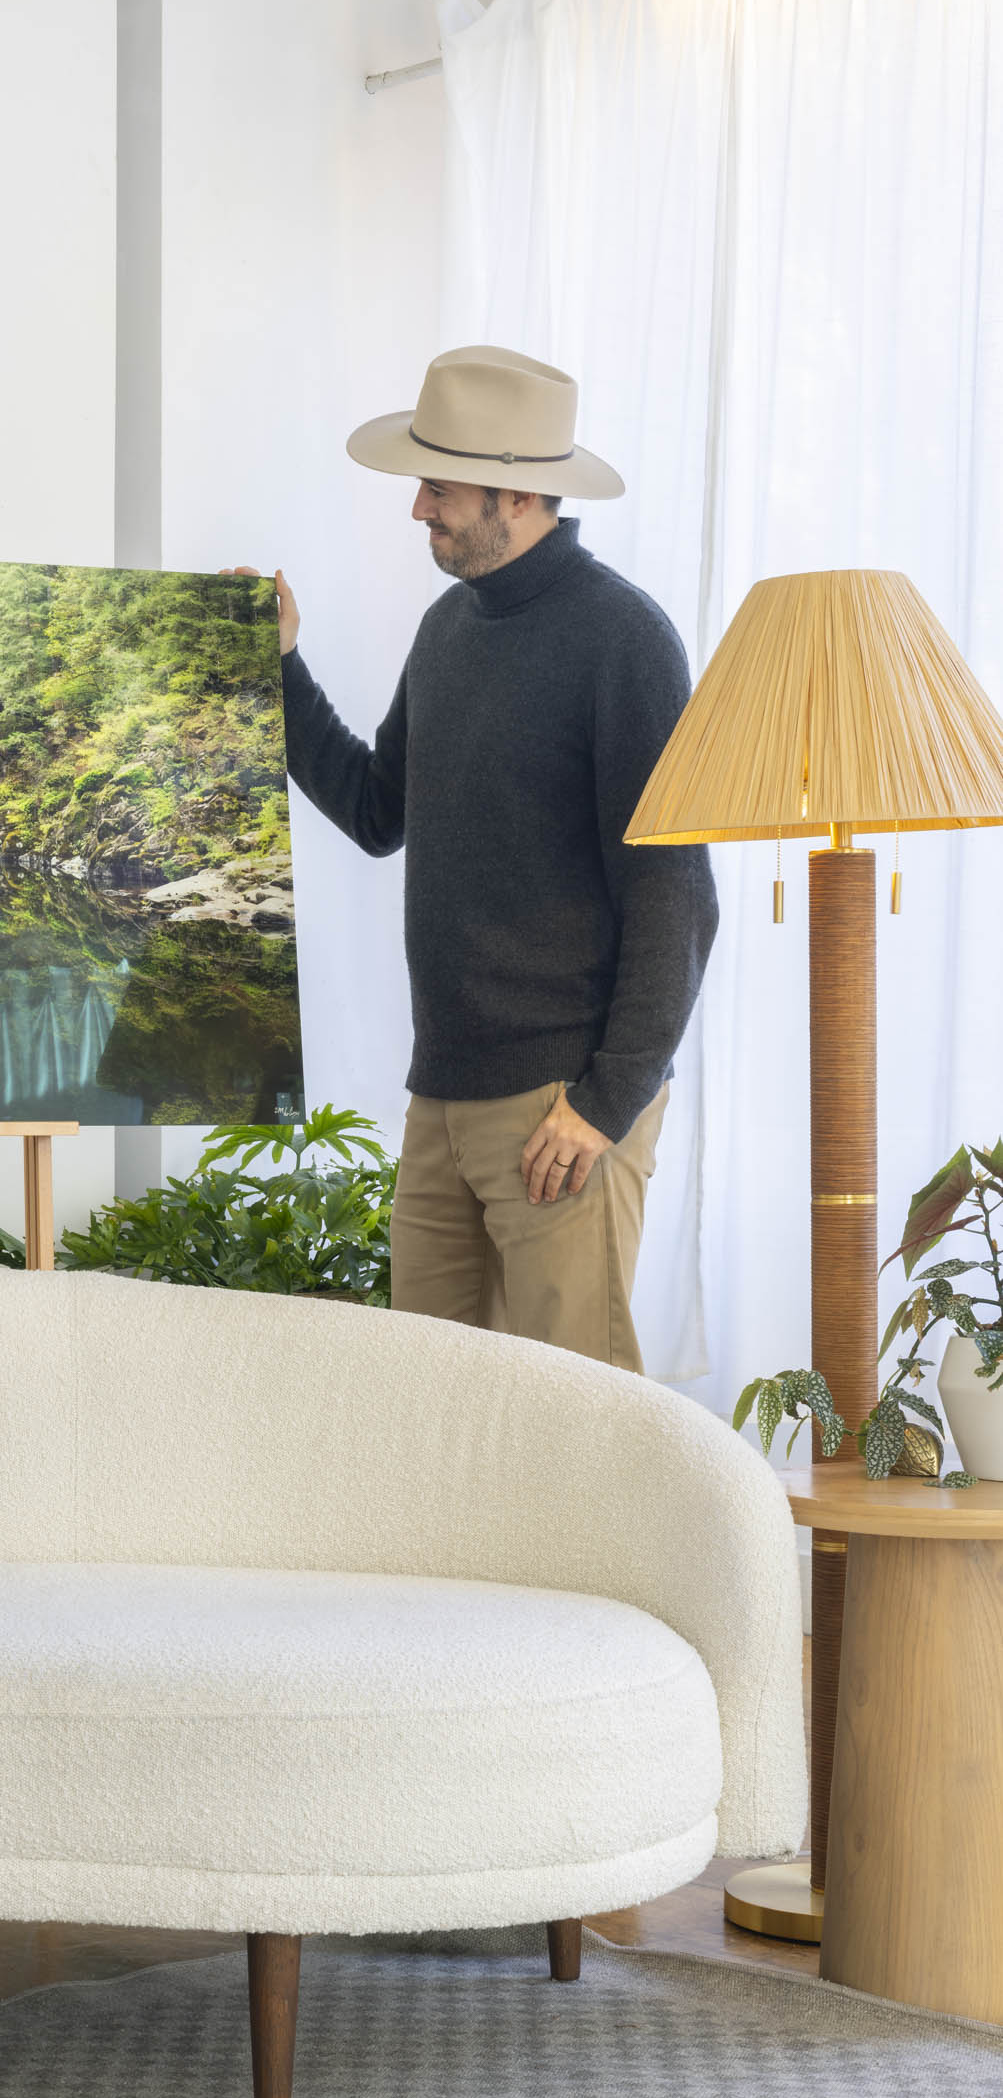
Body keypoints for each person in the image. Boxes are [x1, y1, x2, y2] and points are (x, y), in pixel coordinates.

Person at [235, 344, 717, 1374]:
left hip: (558, 1105)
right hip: (440, 1095)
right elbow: (375, 810)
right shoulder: (446, 629)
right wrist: (277, 665)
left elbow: (673, 894)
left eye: (435, 487)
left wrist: (602, 1104)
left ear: (514, 492)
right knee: (430, 1414)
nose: (416, 509)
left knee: (571, 1424)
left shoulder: (622, 640)